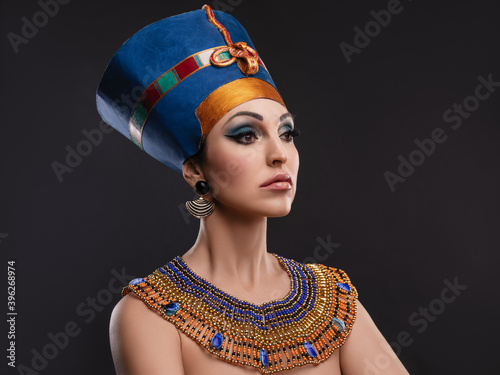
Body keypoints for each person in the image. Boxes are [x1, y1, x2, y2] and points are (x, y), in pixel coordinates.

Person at [96, 5, 409, 374]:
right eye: (246, 135)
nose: (280, 155)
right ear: (195, 168)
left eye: (287, 133)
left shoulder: (332, 299)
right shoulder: (149, 315)